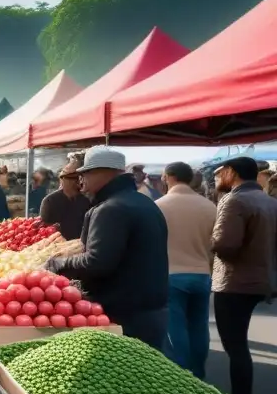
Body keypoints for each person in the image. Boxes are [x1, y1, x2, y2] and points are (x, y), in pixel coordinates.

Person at [45, 147, 170, 350]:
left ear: (104, 172)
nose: (80, 181)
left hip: (123, 314)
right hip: (149, 309)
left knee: (125, 376)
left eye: (85, 174)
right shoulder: (145, 203)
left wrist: (57, 263)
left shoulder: (111, 209)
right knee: (145, 375)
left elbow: (96, 262)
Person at [210, 155, 277, 394]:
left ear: (232, 172)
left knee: (235, 345)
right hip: (261, 279)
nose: (219, 177)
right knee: (238, 343)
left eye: (221, 172)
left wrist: (211, 238)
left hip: (234, 282)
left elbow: (225, 245)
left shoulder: (234, 199)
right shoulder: (269, 201)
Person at [155, 161, 217, 379]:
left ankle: (181, 378)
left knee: (176, 330)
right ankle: (199, 375)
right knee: (199, 328)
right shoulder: (209, 206)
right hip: (202, 274)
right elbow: (214, 245)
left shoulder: (160, 206)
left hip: (171, 275)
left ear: (169, 177)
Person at [39, 161, 91, 240]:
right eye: (73, 178)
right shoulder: (50, 201)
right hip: (59, 247)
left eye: (80, 177)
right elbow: (44, 232)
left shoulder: (89, 200)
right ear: (62, 179)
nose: (78, 182)